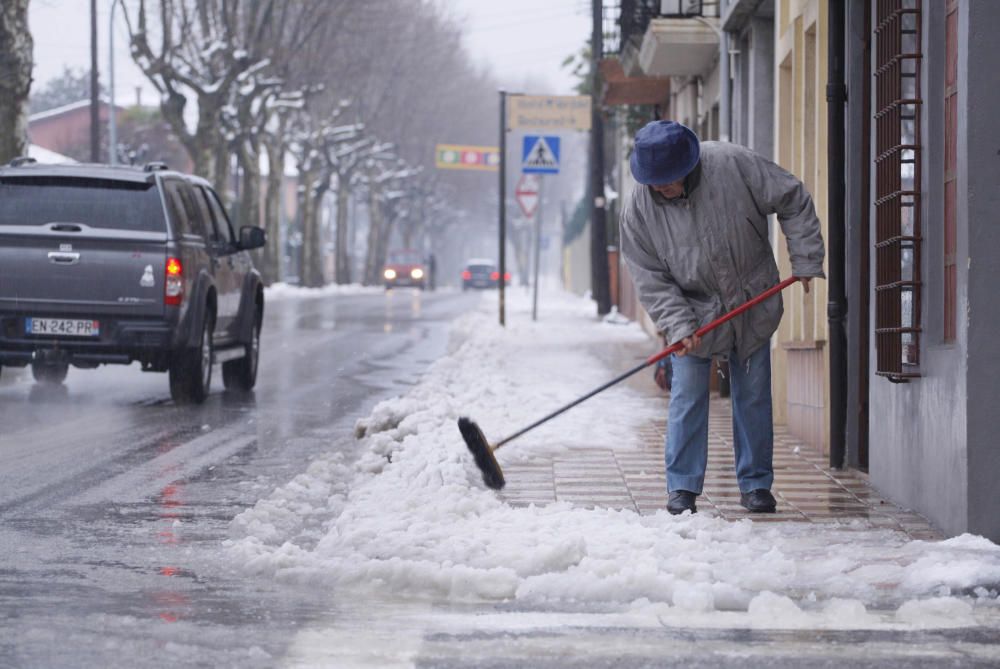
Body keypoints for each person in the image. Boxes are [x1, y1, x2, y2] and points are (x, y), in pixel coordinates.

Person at [619, 121, 825, 515]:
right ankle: (681, 487)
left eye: (667, 180)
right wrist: (679, 326)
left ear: (688, 166)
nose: (659, 188)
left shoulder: (732, 164)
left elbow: (793, 198)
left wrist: (805, 259)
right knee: (687, 396)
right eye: (653, 182)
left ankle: (756, 485)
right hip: (693, 310)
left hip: (752, 300)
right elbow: (649, 277)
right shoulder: (639, 211)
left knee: (753, 394)